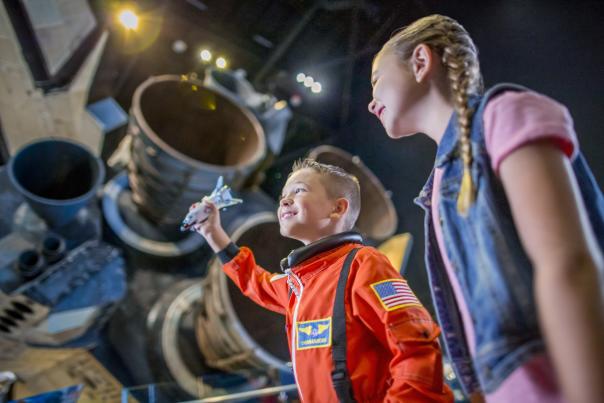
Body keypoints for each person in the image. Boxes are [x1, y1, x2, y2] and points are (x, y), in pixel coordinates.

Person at [368, 14, 604, 403]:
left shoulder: (503, 114)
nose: (370, 100)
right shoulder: (438, 185)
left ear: (421, 62)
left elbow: (568, 265)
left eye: (377, 79)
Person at [192, 158, 453, 402]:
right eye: (283, 196)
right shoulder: (299, 284)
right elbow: (255, 282)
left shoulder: (365, 264)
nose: (284, 201)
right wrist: (212, 232)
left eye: (299, 191)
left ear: (338, 208)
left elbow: (418, 346)